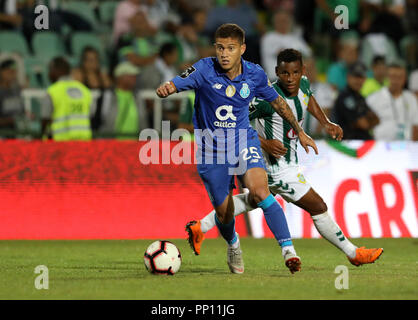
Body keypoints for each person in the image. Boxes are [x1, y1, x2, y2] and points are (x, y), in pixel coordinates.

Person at [186, 48, 384, 267]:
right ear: (277, 72)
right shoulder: (264, 99)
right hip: (273, 168)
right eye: (285, 73)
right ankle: (353, 253)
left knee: (253, 200)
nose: (290, 79)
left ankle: (200, 226)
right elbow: (235, 125)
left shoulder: (305, 84)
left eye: (295, 73)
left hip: (288, 164)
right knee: (318, 206)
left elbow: (308, 99)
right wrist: (265, 142)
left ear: (302, 72)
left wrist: (326, 122)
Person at [156, 24, 318, 274]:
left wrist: (300, 131)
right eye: (220, 47)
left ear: (241, 49)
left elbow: (278, 103)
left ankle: (288, 251)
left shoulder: (254, 74)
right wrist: (169, 87)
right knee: (224, 212)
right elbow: (178, 81)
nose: (224, 53)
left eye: (230, 48)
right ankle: (233, 244)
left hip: (244, 140)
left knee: (260, 191)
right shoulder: (203, 69)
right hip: (211, 149)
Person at [40, 57, 92, 141]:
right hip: (84, 144)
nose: (49, 74)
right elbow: (91, 115)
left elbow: (45, 119)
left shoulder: (52, 91)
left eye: (50, 70)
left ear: (56, 70)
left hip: (61, 144)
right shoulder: (85, 91)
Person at [367, 62, 418, 141]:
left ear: (405, 79)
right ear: (387, 77)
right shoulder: (373, 98)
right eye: (393, 76)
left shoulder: (411, 98)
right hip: (381, 145)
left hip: (406, 146)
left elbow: (415, 125)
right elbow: (368, 127)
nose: (396, 80)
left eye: (400, 77)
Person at [331, 61, 380, 140]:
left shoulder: (360, 97)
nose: (358, 81)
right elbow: (364, 124)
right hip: (347, 144)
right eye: (356, 77)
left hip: (360, 143)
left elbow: (377, 120)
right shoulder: (344, 97)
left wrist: (368, 121)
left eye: (361, 77)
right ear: (348, 77)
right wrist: (368, 120)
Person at [260, 10, 311, 81]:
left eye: (285, 20)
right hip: (275, 80)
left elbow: (309, 56)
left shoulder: (296, 38)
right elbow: (283, 55)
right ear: (274, 22)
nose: (283, 23)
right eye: (280, 20)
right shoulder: (268, 37)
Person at [95, 61, 140, 137]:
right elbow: (99, 120)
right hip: (113, 145)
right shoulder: (107, 96)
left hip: (135, 145)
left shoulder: (137, 96)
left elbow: (143, 122)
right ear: (121, 77)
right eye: (131, 76)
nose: (135, 78)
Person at [0, 59, 25, 131]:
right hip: (2, 136)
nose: (13, 74)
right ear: (2, 73)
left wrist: (27, 115)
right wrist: (9, 121)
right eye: (10, 71)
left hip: (17, 135)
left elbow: (21, 112)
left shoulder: (17, 92)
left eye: (14, 71)